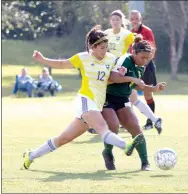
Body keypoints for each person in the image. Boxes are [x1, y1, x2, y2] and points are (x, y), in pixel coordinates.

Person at [21, 25, 145, 170]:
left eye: (106, 47)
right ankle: (126, 145)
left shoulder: (111, 59)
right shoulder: (83, 58)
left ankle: (30, 155)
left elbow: (112, 77)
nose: (105, 51)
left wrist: (122, 72)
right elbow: (61, 64)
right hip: (86, 99)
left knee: (63, 139)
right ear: (92, 47)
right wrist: (42, 59)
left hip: (96, 104)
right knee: (103, 128)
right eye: (102, 48)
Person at [88, 10, 162, 134]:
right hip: (108, 68)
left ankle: (99, 125)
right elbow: (97, 45)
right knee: (130, 98)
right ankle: (155, 119)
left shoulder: (127, 34)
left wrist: (141, 62)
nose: (115, 22)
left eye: (118, 19)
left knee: (105, 96)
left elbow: (140, 44)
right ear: (110, 21)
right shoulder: (107, 33)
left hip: (122, 68)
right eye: (113, 19)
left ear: (122, 21)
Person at [101, 34, 166, 171]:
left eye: (148, 58)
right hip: (107, 97)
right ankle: (107, 152)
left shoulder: (141, 66)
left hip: (123, 99)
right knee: (113, 126)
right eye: (142, 57)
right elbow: (112, 77)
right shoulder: (125, 60)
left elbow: (135, 85)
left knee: (136, 128)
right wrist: (133, 79)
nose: (145, 61)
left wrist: (153, 88)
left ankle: (145, 163)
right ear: (134, 52)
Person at [129, 10, 159, 130]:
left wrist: (144, 63)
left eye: (136, 18)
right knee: (128, 92)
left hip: (147, 66)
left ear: (140, 19)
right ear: (130, 20)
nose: (134, 20)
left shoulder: (147, 31)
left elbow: (152, 50)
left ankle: (150, 122)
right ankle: (127, 121)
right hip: (134, 66)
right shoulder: (130, 33)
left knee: (147, 93)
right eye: (132, 18)